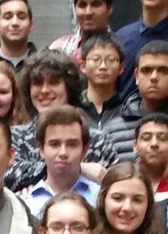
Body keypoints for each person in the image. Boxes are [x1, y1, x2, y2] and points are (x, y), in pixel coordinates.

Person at [7, 51, 116, 191]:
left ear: (68, 88)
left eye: (54, 82)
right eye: (38, 83)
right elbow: (4, 177)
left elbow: (116, 184)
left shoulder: (97, 140)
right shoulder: (15, 137)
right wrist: (77, 168)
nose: (44, 90)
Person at [20, 105, 100, 216]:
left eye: (72, 144)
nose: (63, 153)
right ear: (41, 149)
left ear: (84, 150)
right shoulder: (24, 203)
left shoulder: (100, 198)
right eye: (54, 144)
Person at [50, 0, 114, 64]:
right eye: (82, 5)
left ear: (110, 8)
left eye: (95, 5)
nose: (88, 12)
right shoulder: (59, 50)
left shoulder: (122, 49)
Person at [80, 31, 125, 128]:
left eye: (111, 60)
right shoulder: (72, 109)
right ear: (83, 66)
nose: (103, 66)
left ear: (121, 68)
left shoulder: (128, 110)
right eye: (96, 59)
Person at [133, 113, 168, 201]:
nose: (154, 144)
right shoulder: (124, 180)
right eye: (146, 138)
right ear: (135, 146)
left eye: (162, 138)